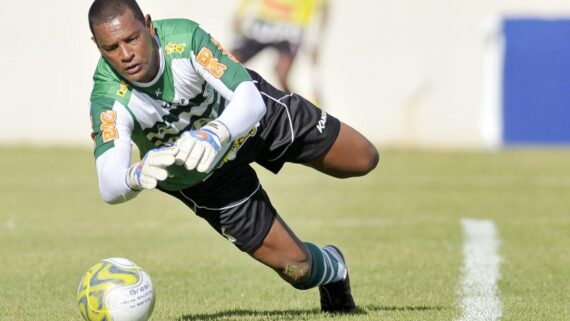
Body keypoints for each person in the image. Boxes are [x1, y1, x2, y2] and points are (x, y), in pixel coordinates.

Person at [88, 0, 378, 313]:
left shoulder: (184, 39)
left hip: (253, 124)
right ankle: (334, 269)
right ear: (98, 47)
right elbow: (108, 183)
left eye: (132, 39)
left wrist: (216, 133)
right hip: (203, 178)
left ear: (148, 25)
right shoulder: (107, 96)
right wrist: (134, 175)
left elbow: (249, 100)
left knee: (363, 159)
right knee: (299, 270)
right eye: (111, 47)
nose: (126, 54)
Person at [232, 0, 329, 102]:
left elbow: (324, 9)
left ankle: (297, 108)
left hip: (291, 27)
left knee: (282, 75)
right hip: (263, 22)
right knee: (231, 63)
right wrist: (240, 14)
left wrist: (316, 41)